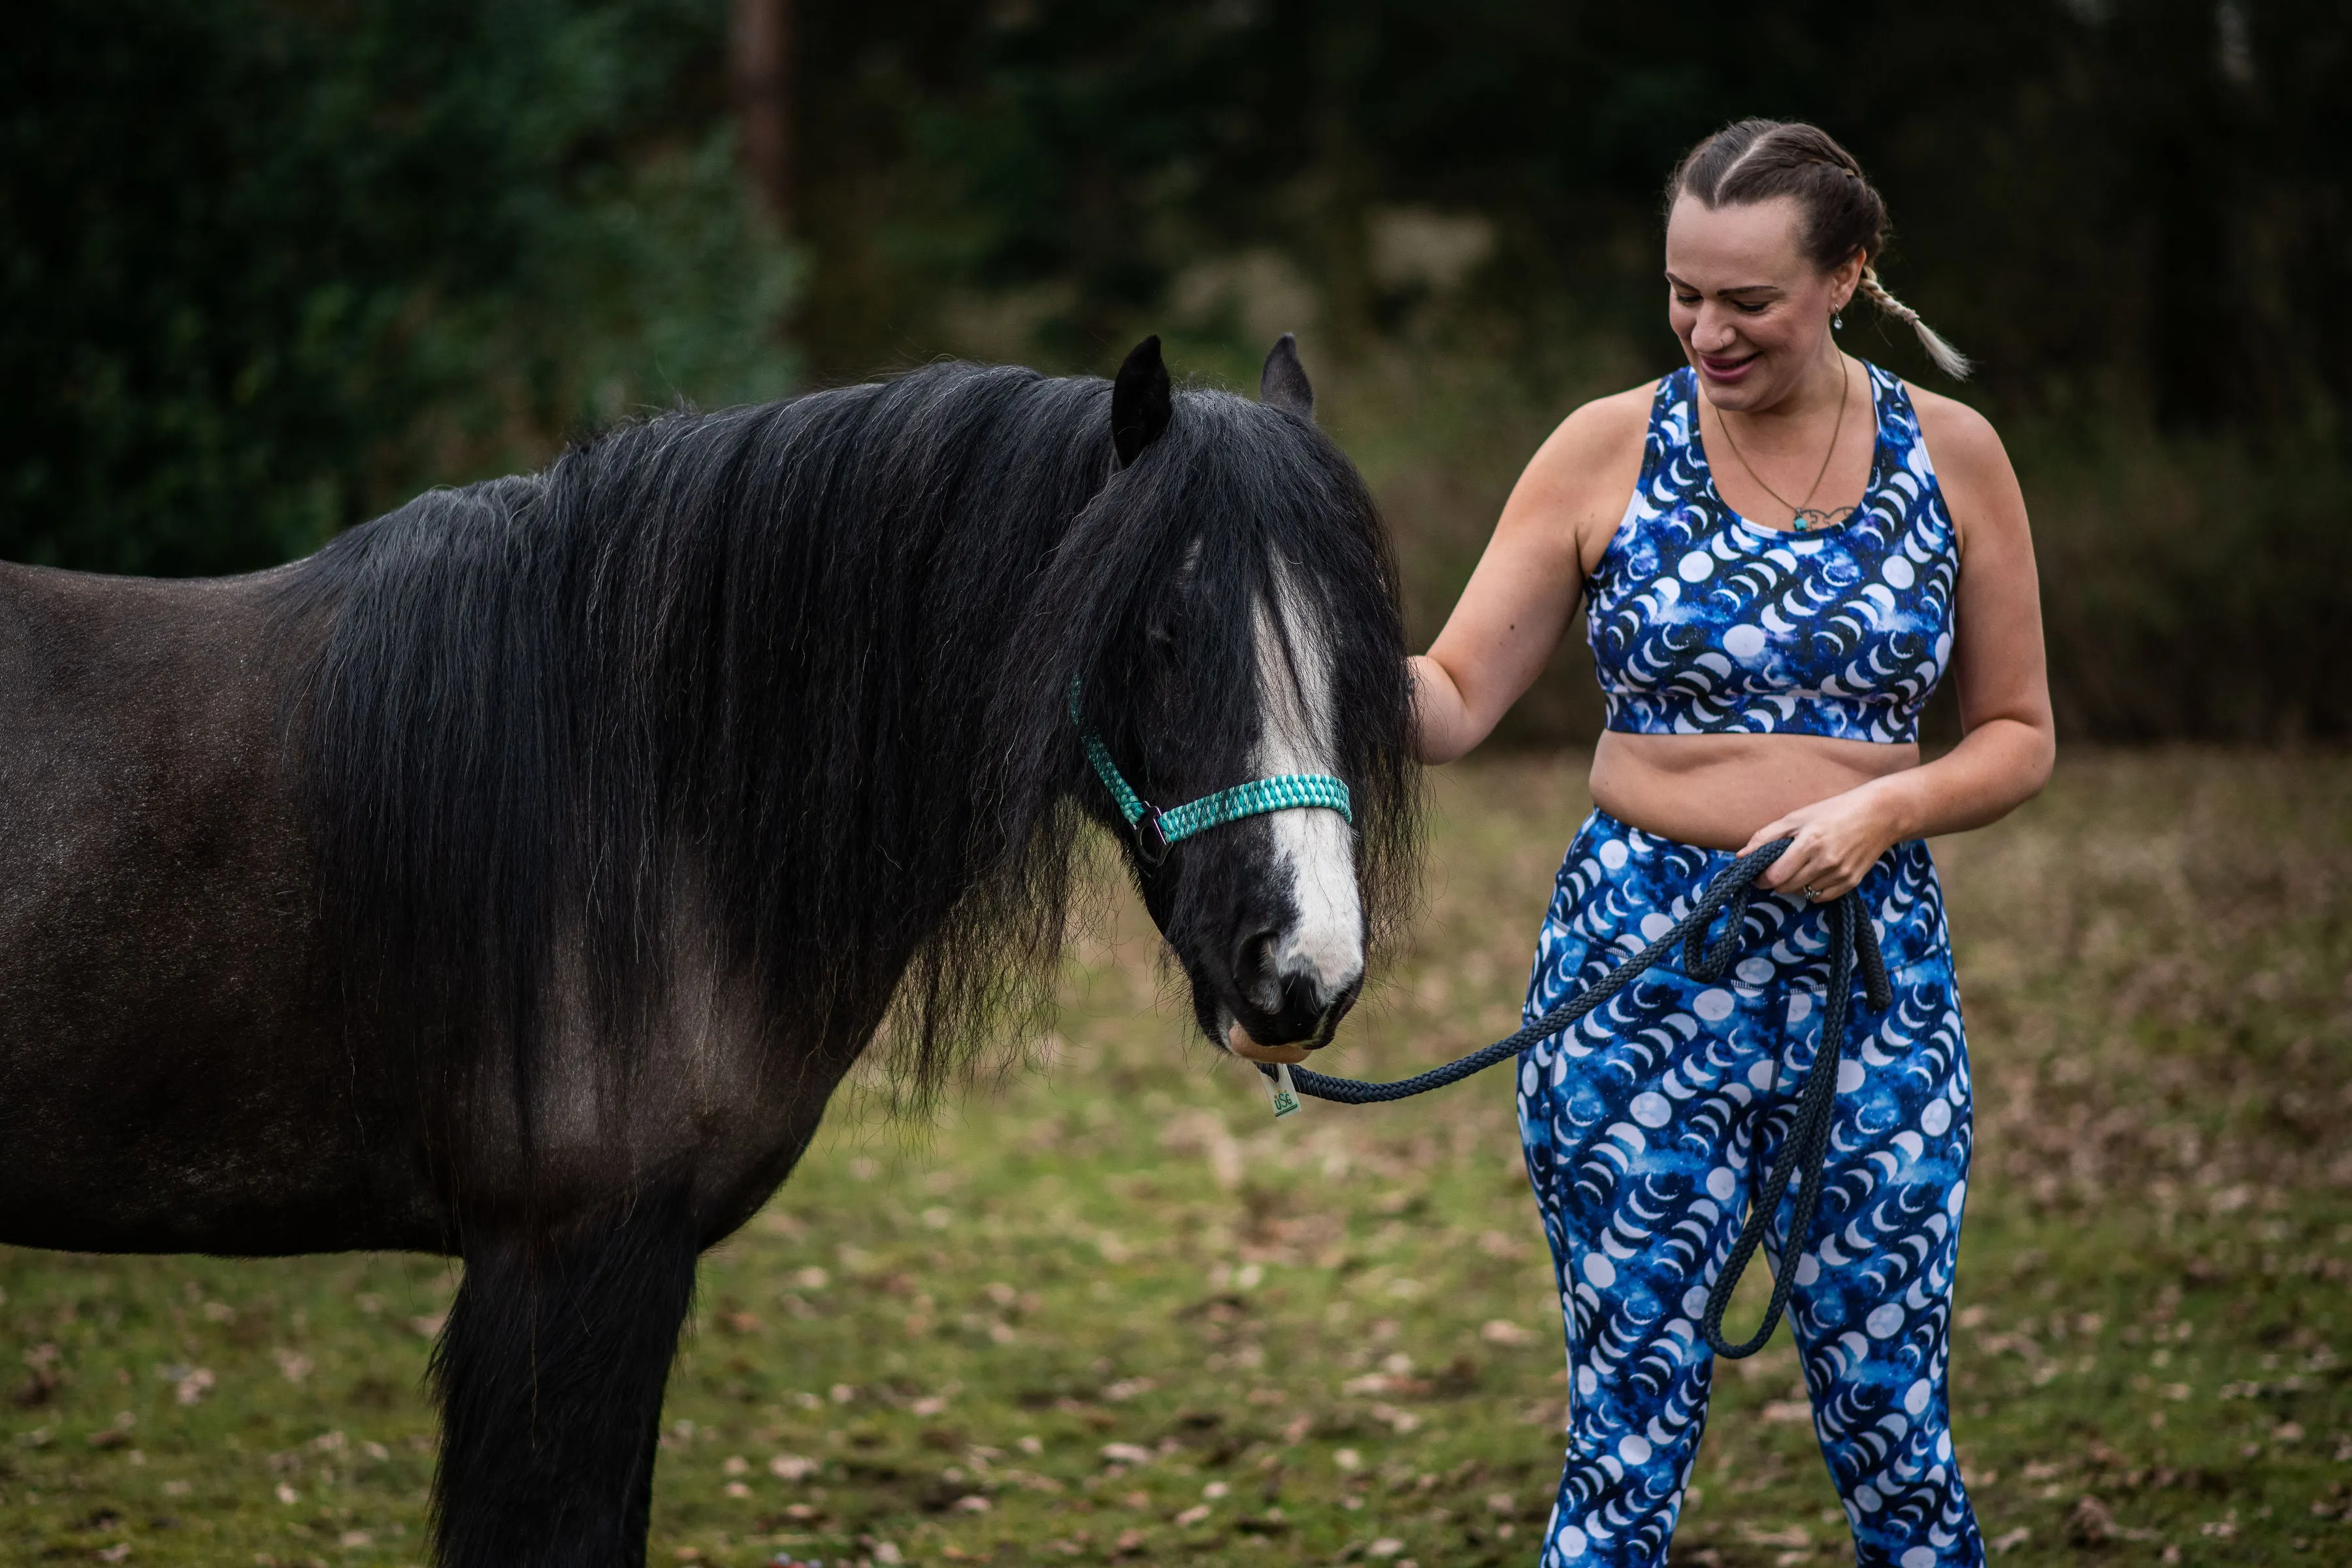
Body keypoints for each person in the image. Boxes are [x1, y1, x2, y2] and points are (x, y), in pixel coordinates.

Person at [1409, 120, 2053, 1568]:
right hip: (1639, 975)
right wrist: (1291, 653)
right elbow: (1448, 701)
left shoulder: (1954, 455)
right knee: (1626, 1435)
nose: (1708, 330)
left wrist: (1884, 808)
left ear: (1845, 276)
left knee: (1894, 1428)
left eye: (1747, 300)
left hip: (1870, 977)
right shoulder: (1601, 446)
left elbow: (2020, 731)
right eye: (1681, 293)